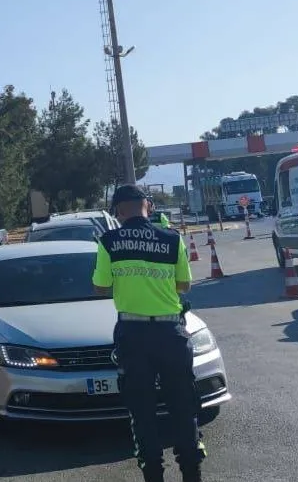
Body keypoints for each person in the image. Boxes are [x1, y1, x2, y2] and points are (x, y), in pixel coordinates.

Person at [93, 185, 205, 482]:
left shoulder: (109, 241)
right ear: (149, 206)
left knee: (142, 413)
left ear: (118, 211)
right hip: (171, 333)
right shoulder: (172, 239)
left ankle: (153, 475)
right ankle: (192, 473)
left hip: (133, 335)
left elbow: (101, 287)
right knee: (183, 407)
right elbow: (184, 285)